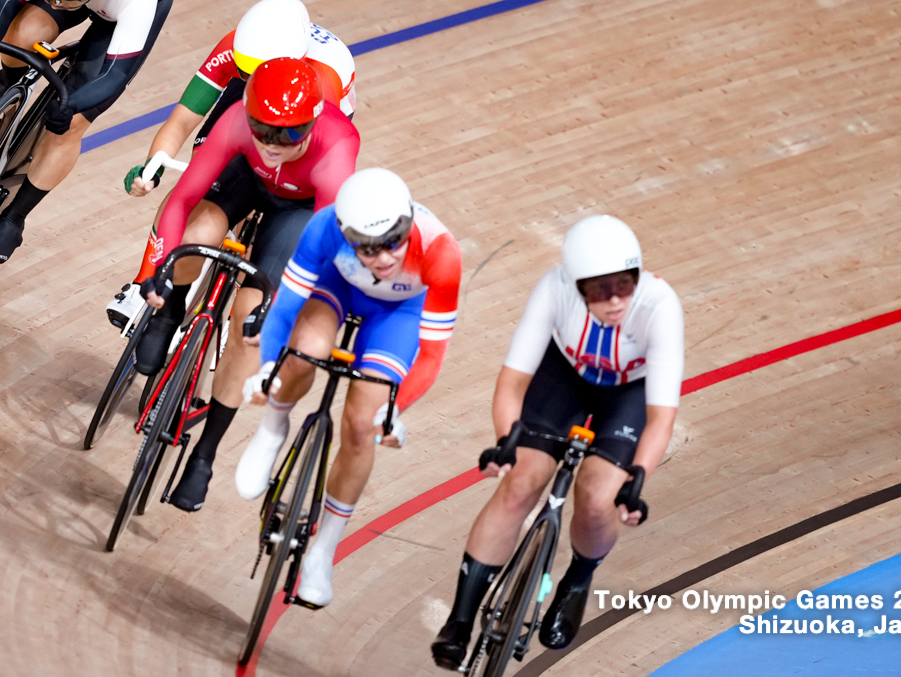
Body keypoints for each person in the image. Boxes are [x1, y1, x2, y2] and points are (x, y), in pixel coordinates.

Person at [430, 215, 683, 668]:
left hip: (627, 394)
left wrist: (637, 479)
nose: (615, 300)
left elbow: (661, 417)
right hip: (563, 376)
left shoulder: (660, 306)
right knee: (521, 481)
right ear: (575, 285)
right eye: (600, 289)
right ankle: (461, 620)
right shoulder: (553, 290)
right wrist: (506, 441)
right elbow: (512, 383)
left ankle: (578, 581)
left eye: (625, 284)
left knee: (597, 496)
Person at [131, 57, 360, 512]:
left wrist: (280, 307)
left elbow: (318, 249)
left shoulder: (338, 146)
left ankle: (204, 455)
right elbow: (181, 200)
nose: (274, 144)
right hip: (246, 180)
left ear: (313, 123)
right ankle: (172, 312)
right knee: (196, 237)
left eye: (289, 134)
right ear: (249, 115)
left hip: (299, 208)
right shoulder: (238, 123)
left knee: (249, 321)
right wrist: (159, 270)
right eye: (264, 130)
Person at [231, 168, 462, 606]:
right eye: (369, 247)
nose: (384, 257)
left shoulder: (440, 251)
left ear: (409, 222)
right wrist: (267, 372)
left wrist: (395, 410)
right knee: (304, 351)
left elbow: (431, 354)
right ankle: (273, 429)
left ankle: (323, 551)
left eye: (395, 240)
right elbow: (284, 309)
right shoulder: (324, 227)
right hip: (338, 288)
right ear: (345, 232)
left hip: (398, 314)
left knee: (361, 424)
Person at [106, 0, 356, 330]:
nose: (249, 77)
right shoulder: (237, 47)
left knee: (277, 192)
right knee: (201, 177)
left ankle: (231, 302)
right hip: (249, 104)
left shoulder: (320, 83)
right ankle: (145, 282)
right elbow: (181, 120)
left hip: (298, 106)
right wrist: (154, 165)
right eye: (243, 71)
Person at [0, 0, 173, 264]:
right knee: (22, 34)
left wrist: (73, 106)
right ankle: (5, 82)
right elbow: (3, 6)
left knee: (69, 125)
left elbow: (115, 75)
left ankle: (14, 216)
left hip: (122, 7)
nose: (52, 1)